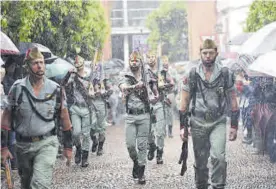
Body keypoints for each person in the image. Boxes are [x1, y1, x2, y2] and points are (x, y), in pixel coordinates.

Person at [1, 47, 72, 189]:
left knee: (39, 184)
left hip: (47, 143)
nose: (40, 66)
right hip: (22, 146)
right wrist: (3, 147)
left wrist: (68, 146)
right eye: (35, 63)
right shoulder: (17, 88)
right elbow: (6, 118)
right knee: (26, 184)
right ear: (27, 66)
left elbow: (64, 117)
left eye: (42, 62)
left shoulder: (55, 89)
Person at [179, 39, 239, 189]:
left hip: (217, 121)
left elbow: (232, 99)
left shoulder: (225, 74)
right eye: (204, 53)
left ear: (216, 53)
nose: (207, 56)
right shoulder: (192, 74)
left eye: (210, 53)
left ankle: (218, 186)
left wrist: (234, 125)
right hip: (197, 122)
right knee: (200, 162)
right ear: (200, 54)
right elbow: (184, 101)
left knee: (219, 157)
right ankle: (201, 186)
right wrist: (182, 127)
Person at [118, 51, 157, 184]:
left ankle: (141, 172)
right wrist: (136, 86)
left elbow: (155, 91)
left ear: (140, 62)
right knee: (130, 145)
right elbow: (123, 88)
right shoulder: (125, 74)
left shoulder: (147, 75)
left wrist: (153, 93)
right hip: (130, 116)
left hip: (144, 115)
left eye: (136, 61)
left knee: (142, 146)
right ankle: (136, 162)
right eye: (131, 61)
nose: (134, 63)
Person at [63, 55, 94, 167]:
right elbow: (64, 84)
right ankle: (79, 148)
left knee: (86, 134)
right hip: (76, 108)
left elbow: (96, 90)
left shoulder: (90, 76)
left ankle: (85, 157)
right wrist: (68, 74)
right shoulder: (73, 76)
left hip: (86, 108)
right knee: (76, 133)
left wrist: (92, 92)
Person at [147, 51, 174, 164]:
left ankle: (159, 153)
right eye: (149, 57)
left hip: (159, 104)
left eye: (153, 56)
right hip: (147, 105)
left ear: (156, 58)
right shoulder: (144, 73)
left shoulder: (162, 72)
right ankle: (152, 146)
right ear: (146, 59)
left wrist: (164, 86)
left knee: (160, 131)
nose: (151, 59)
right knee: (148, 131)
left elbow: (172, 83)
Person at [90, 65, 113, 156]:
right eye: (94, 67)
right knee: (91, 125)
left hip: (101, 104)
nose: (96, 69)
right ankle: (94, 140)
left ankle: (100, 147)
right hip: (91, 104)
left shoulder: (105, 80)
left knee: (101, 126)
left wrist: (104, 93)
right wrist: (92, 94)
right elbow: (84, 91)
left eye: (98, 67)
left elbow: (110, 91)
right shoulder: (89, 79)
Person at [161, 55, 175, 138]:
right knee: (163, 113)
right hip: (163, 94)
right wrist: (168, 84)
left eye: (166, 62)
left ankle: (170, 132)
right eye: (164, 63)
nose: (165, 64)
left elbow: (176, 82)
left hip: (170, 94)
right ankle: (164, 131)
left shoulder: (172, 72)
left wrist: (172, 83)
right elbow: (160, 85)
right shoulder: (161, 73)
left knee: (170, 113)